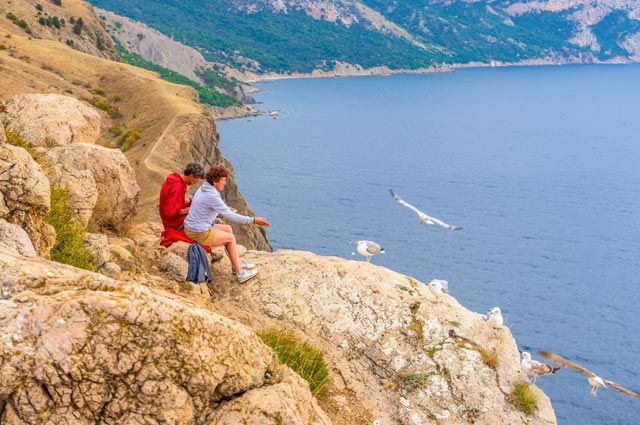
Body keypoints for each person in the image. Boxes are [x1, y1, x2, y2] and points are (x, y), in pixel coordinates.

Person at [183, 165, 270, 283]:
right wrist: (254, 220)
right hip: (198, 232)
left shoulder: (204, 187)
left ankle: (236, 264)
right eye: (223, 180)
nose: (225, 183)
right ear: (215, 181)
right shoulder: (212, 196)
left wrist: (225, 208)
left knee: (228, 228)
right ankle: (240, 274)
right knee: (230, 238)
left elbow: (206, 206)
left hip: (192, 227)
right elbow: (231, 216)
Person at [159, 163, 205, 246]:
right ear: (191, 176)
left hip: (164, 215)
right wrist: (191, 209)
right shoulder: (178, 186)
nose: (196, 182)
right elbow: (171, 212)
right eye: (197, 179)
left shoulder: (174, 177)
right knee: (199, 216)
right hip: (172, 222)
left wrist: (184, 203)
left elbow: (171, 201)